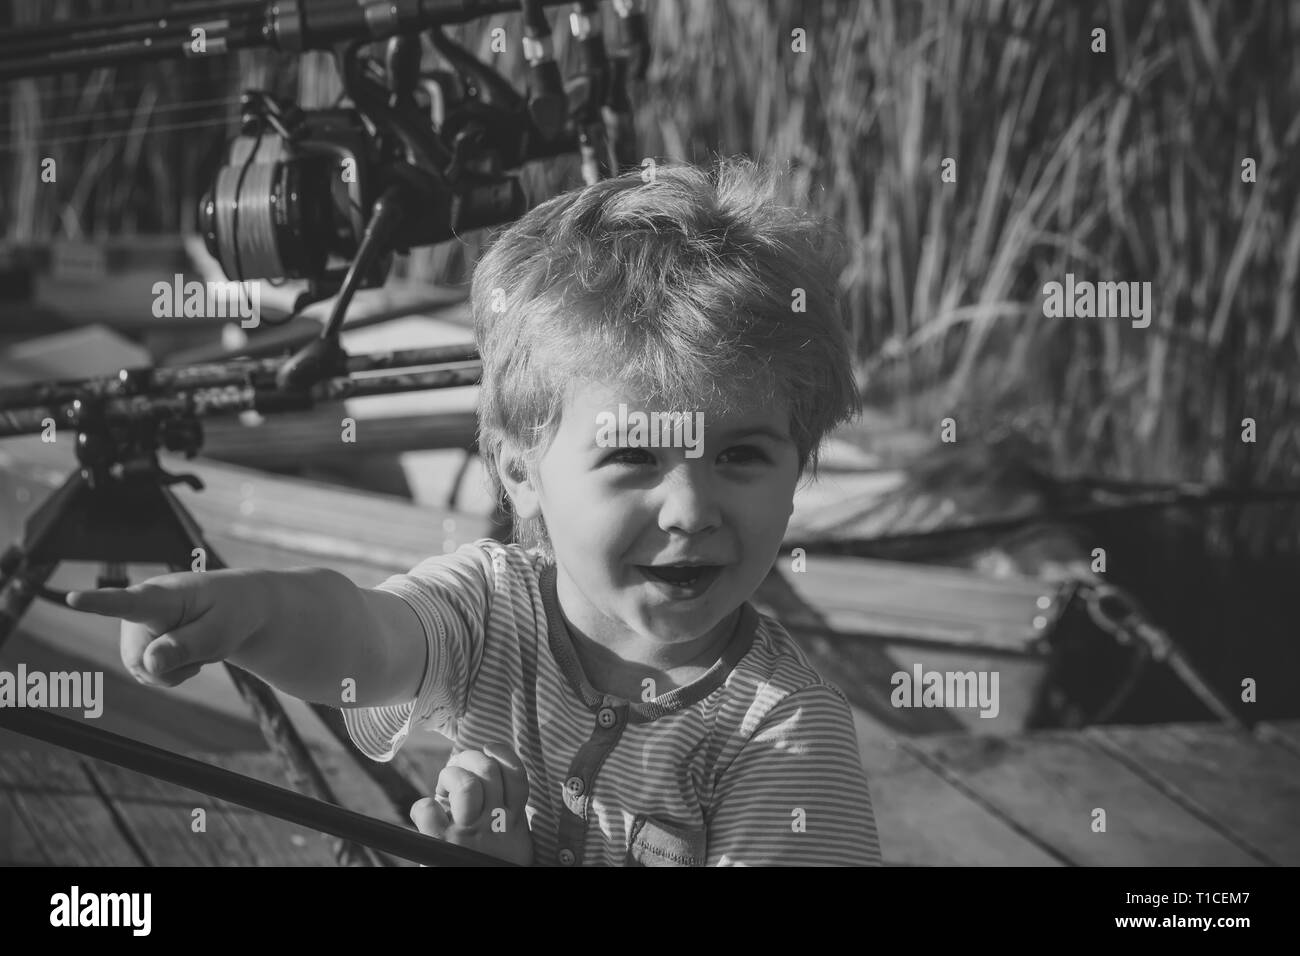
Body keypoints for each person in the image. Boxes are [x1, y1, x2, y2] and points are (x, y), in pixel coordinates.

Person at [68, 157, 882, 866]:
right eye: (634, 456)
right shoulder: (491, 607)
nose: (689, 509)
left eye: (741, 456)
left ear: (801, 464)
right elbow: (362, 636)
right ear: (520, 472)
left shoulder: (784, 738)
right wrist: (244, 614)